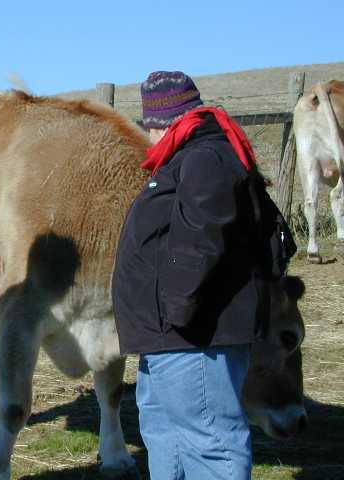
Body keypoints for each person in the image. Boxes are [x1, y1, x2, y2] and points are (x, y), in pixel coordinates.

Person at [112, 71, 268, 479]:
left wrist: (177, 312)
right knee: (168, 435)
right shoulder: (195, 154)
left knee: (209, 442)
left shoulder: (203, 158)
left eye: (149, 125)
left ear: (159, 122)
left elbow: (201, 238)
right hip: (169, 337)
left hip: (193, 337)